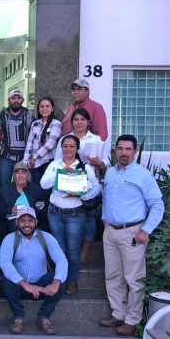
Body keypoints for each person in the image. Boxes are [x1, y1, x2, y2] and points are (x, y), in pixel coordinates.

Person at [99, 134, 164, 336]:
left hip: (133, 233)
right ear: (115, 151)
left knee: (134, 279)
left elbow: (157, 205)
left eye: (128, 149)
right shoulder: (110, 173)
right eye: (120, 148)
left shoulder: (143, 175)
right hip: (110, 232)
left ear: (135, 152)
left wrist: (146, 230)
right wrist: (104, 218)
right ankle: (118, 313)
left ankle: (132, 319)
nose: (124, 153)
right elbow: (106, 198)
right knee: (113, 276)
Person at [40, 135, 100, 295]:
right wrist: (59, 174)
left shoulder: (84, 167)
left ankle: (72, 281)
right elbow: (43, 184)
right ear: (61, 148)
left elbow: (96, 189)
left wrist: (81, 195)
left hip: (75, 214)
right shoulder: (54, 165)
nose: (68, 149)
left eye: (72, 146)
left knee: (73, 251)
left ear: (77, 148)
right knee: (59, 251)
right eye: (65, 146)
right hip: (55, 213)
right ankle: (60, 281)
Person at [0, 207, 67, 335]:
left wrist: (56, 282)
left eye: (30, 220)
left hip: (41, 287)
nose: (26, 224)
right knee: (7, 278)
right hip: (19, 287)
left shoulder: (46, 237)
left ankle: (43, 317)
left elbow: (61, 260)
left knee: (59, 278)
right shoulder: (10, 238)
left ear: (36, 222)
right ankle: (18, 318)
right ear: (17, 222)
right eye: (23, 220)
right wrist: (25, 284)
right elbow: (4, 263)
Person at [55, 107, 110, 264]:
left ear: (88, 122)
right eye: (76, 120)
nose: (79, 122)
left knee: (89, 217)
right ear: (72, 122)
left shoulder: (96, 140)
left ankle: (85, 251)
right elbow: (57, 162)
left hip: (90, 184)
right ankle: (70, 252)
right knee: (72, 216)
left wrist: (99, 163)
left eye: (82, 119)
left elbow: (106, 161)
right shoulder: (65, 139)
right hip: (70, 183)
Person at [0, 89, 35, 189]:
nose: (16, 100)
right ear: (9, 100)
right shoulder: (1, 116)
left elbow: (34, 136)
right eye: (13, 98)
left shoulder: (30, 116)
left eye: (19, 98)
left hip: (25, 157)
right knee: (3, 186)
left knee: (26, 186)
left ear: (23, 100)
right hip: (6, 157)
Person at [0, 161, 46, 237]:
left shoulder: (37, 190)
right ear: (13, 175)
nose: (20, 175)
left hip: (32, 223)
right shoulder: (3, 191)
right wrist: (11, 211)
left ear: (28, 175)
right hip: (11, 226)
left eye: (23, 173)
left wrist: (30, 212)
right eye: (17, 173)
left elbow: (42, 213)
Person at [23, 96, 62, 184]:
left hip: (48, 162)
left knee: (45, 189)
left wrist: (34, 157)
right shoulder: (35, 123)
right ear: (39, 109)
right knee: (36, 188)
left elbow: (50, 145)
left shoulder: (56, 124)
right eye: (42, 106)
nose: (44, 109)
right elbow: (29, 143)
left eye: (47, 106)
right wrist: (25, 162)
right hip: (35, 164)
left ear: (52, 108)